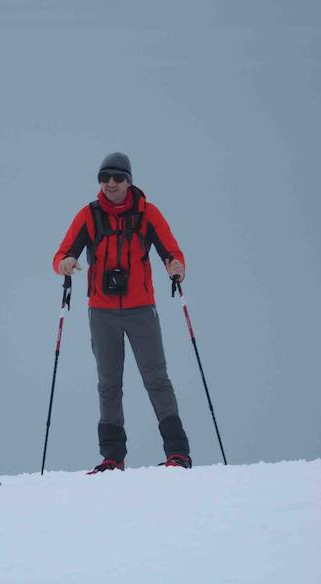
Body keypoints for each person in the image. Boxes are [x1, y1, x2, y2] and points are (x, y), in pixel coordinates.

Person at [53, 152, 192, 473]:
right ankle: (112, 458)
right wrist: (65, 263)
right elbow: (62, 253)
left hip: (141, 309)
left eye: (117, 178)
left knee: (156, 379)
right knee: (108, 383)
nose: (111, 184)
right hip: (102, 311)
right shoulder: (89, 216)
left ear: (129, 180)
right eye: (105, 178)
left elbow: (171, 250)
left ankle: (178, 453)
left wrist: (176, 266)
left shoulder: (148, 214)